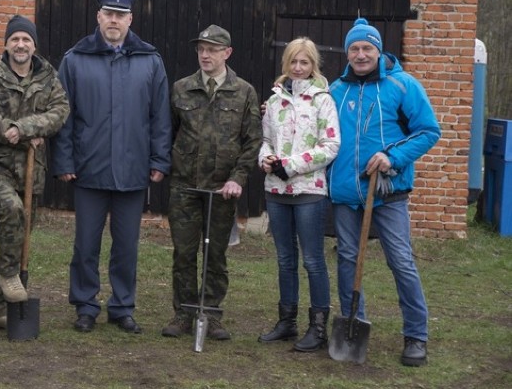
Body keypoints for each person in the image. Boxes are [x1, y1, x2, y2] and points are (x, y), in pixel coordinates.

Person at [53, 0, 172, 334]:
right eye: (109, 13)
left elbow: (159, 117)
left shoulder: (150, 60)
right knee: (85, 245)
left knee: (126, 247)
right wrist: (64, 162)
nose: (114, 20)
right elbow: (64, 117)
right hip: (89, 170)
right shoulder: (75, 60)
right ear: (98, 16)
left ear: (130, 19)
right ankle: (85, 305)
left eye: (121, 15)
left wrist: (160, 160)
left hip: (133, 170)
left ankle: (122, 307)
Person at [328, 18, 440, 367]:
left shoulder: (402, 85)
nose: (361, 55)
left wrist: (391, 157)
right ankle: (352, 323)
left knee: (400, 261)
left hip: (387, 192)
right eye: (354, 49)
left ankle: (416, 335)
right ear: (347, 52)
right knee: (347, 259)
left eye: (367, 48)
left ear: (378, 50)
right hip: (347, 193)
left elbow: (428, 131)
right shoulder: (335, 90)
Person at [161, 25, 262, 341]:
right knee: (184, 252)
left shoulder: (243, 91)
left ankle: (212, 313)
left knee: (216, 254)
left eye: (213, 49)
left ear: (227, 53)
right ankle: (184, 312)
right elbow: (168, 132)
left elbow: (252, 140)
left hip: (222, 189)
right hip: (184, 187)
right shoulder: (181, 88)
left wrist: (238, 178)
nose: (205, 55)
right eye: (201, 49)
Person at [0, 15, 70, 329]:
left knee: (17, 234)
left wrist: (24, 128)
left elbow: (60, 111)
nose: (20, 44)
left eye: (26, 39)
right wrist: (8, 132)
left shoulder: (48, 77)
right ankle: (11, 278)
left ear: (34, 45)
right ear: (7, 44)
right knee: (12, 211)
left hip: (31, 167)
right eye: (15, 39)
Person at [257, 37, 340, 351]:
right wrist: (265, 158)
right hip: (276, 190)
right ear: (286, 65)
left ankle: (318, 328)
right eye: (293, 62)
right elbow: (266, 138)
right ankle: (286, 321)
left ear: (313, 65)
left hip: (308, 190)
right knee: (284, 259)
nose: (298, 67)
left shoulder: (322, 100)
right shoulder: (275, 100)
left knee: (313, 261)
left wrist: (289, 166)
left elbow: (330, 145)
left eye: (304, 62)